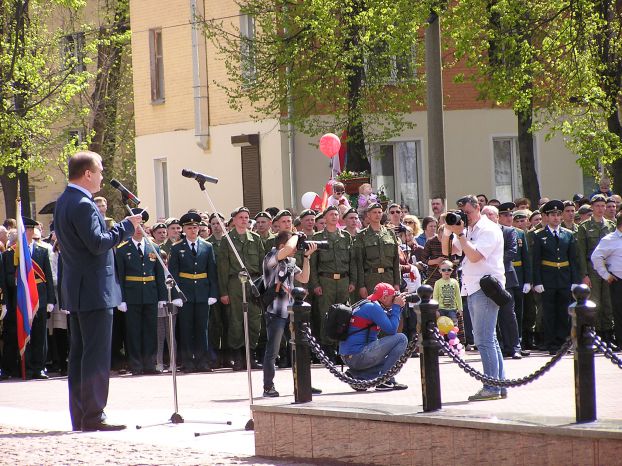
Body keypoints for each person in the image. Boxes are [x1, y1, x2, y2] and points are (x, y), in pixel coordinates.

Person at [54, 150, 141, 432]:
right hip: (93, 290)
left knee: (80, 354)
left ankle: (81, 415)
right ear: (88, 174)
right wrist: (127, 227)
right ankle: (94, 415)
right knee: (95, 354)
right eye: (100, 170)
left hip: (79, 289)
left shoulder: (65, 201)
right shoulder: (82, 203)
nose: (103, 175)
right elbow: (97, 243)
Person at [444, 195, 506, 401]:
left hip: (485, 288)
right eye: (462, 213)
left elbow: (474, 256)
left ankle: (491, 386)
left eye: (468, 213)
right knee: (490, 338)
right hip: (472, 287)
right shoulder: (469, 229)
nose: (465, 216)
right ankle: (500, 384)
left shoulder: (488, 229)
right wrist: (447, 229)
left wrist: (460, 233)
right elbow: (449, 252)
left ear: (478, 208)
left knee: (484, 339)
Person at [262, 231, 317, 397]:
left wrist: (306, 257)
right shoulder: (270, 257)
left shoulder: (290, 262)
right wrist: (296, 235)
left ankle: (302, 383)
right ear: (281, 245)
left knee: (299, 348)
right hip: (276, 312)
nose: (296, 249)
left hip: (291, 312)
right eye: (294, 245)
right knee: (273, 351)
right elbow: (288, 248)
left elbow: (305, 278)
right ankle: (268, 386)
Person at [115, 209, 166, 375]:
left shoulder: (154, 248)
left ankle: (150, 364)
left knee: (150, 330)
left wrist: (162, 296)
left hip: (150, 293)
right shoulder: (122, 249)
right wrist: (120, 298)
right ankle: (136, 364)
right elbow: (120, 275)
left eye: (142, 225)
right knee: (133, 331)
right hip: (132, 295)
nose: (139, 228)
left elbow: (159, 274)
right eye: (136, 225)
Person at [169, 211, 219, 373]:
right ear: (184, 230)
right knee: (186, 328)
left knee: (202, 328)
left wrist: (213, 293)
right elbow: (173, 273)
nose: (193, 230)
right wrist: (176, 295)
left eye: (195, 227)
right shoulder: (177, 248)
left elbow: (212, 271)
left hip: (203, 292)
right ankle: (188, 362)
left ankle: (203, 361)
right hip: (185, 293)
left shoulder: (207, 246)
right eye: (189, 228)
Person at [217, 207, 265, 370]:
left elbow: (261, 264)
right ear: (234, 220)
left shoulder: (256, 239)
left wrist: (261, 287)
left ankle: (250, 356)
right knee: (236, 320)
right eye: (241, 217)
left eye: (246, 217)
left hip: (253, 281)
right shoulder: (227, 240)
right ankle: (237, 357)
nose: (244, 220)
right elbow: (223, 267)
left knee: (253, 319)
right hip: (235, 283)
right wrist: (224, 292)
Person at [338, 282, 408, 391]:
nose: (395, 298)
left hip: (350, 356)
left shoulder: (367, 304)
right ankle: (385, 381)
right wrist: (396, 307)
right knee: (401, 339)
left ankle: (357, 376)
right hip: (358, 355)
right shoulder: (373, 308)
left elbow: (389, 320)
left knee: (389, 361)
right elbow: (392, 330)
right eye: (392, 297)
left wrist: (397, 307)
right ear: (384, 297)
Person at [532, 200, 581, 354]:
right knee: (549, 312)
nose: (556, 218)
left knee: (563, 312)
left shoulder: (568, 234)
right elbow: (536, 261)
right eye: (552, 214)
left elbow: (573, 260)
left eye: (558, 215)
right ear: (546, 216)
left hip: (564, 278)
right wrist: (537, 281)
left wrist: (575, 281)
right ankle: (551, 343)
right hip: (548, 278)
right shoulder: (539, 235)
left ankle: (563, 342)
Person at [309, 206, 356, 358]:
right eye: (331, 214)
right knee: (326, 315)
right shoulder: (317, 237)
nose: (334, 217)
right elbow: (313, 264)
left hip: (343, 280)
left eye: (336, 214)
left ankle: (340, 347)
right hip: (326, 281)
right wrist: (315, 284)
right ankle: (327, 347)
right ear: (325, 217)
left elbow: (352, 262)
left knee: (343, 315)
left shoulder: (346, 237)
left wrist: (353, 281)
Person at [576, 194, 615, 342]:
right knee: (595, 301)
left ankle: (608, 333)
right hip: (592, 269)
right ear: (592, 207)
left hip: (608, 267)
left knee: (608, 302)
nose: (600, 209)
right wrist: (584, 275)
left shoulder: (611, 226)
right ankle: (596, 333)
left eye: (603, 206)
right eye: (597, 206)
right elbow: (581, 253)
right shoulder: (584, 227)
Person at [355, 203, 400, 299]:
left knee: (389, 307)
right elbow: (359, 263)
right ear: (368, 215)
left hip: (389, 277)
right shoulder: (362, 236)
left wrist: (397, 283)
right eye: (374, 212)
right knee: (373, 308)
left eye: (379, 212)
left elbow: (396, 261)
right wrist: (361, 286)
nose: (377, 215)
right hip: (371, 279)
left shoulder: (390, 233)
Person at [591, 212, 622, 347]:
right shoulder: (609, 239)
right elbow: (596, 257)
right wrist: (606, 275)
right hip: (618, 280)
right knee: (619, 312)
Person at [433, 260, 462, 325]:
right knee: (441, 327)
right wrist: (436, 310)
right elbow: (435, 297)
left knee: (453, 325)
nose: (446, 271)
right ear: (440, 271)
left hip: (452, 309)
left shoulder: (455, 282)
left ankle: (453, 335)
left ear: (452, 270)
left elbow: (458, 296)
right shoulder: (437, 283)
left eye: (448, 269)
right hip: (441, 309)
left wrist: (460, 308)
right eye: (443, 270)